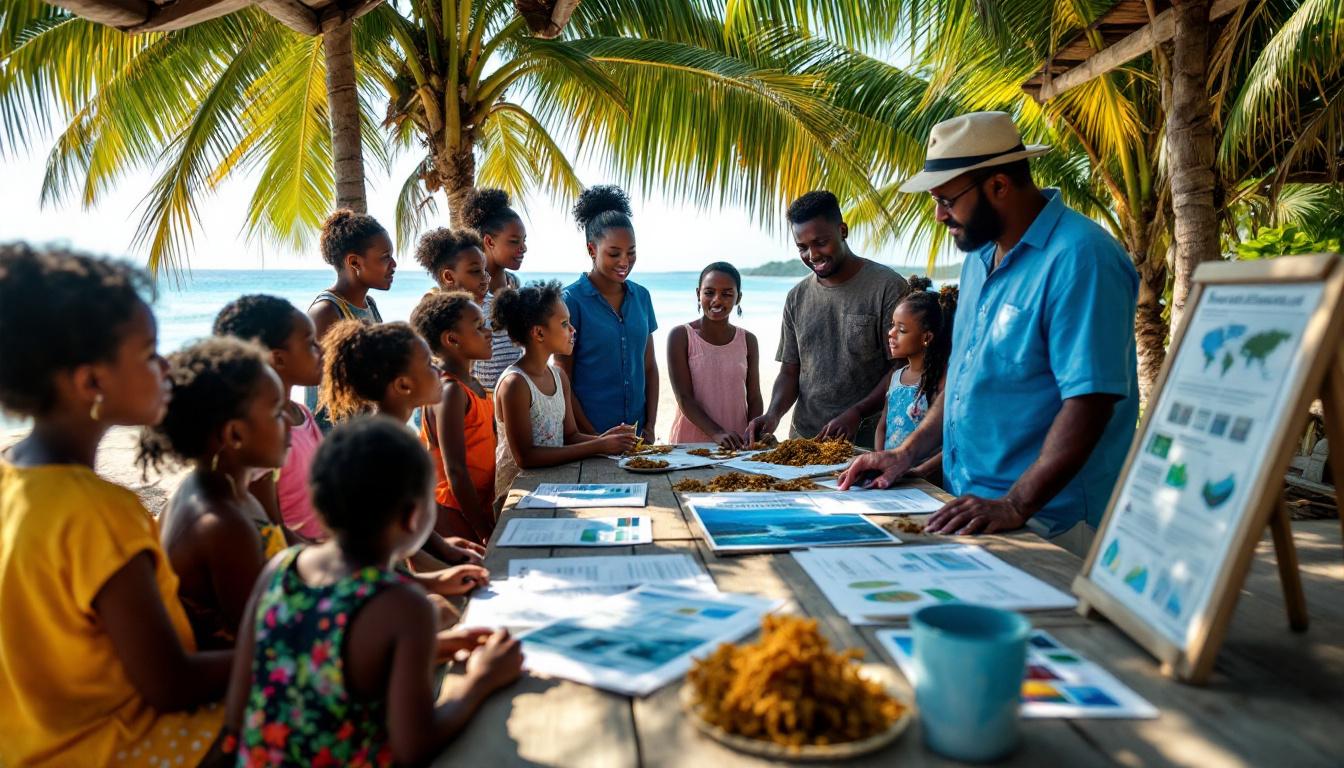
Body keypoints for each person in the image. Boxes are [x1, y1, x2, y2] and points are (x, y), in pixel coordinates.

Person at [839, 111, 1139, 558]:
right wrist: (905, 453)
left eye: (947, 200)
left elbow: (1091, 401)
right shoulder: (977, 258)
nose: (939, 215)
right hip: (973, 507)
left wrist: (1016, 502)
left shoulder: (1082, 258)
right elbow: (962, 380)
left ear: (999, 185)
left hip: (1050, 520)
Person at [0, 245, 228, 767]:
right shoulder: (98, 511)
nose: (166, 364)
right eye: (149, 353)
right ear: (92, 383)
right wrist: (286, 651)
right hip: (118, 748)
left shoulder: (11, 481)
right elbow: (171, 685)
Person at [218, 417, 523, 766]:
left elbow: (240, 703)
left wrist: (434, 646)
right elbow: (416, 745)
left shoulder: (281, 567)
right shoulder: (403, 606)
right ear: (413, 516)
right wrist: (482, 679)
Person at [136, 337, 292, 650]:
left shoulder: (216, 491)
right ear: (235, 434)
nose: (288, 421)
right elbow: (265, 642)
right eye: (277, 412)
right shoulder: (222, 525)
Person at [317, 319, 491, 579]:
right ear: (403, 386)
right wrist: (436, 579)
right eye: (430, 365)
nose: (438, 370)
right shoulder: (378, 452)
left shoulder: (396, 436)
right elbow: (371, 550)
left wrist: (442, 546)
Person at [746, 191, 908, 449]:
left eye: (820, 242)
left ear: (842, 230)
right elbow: (790, 371)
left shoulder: (888, 288)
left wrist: (857, 412)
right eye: (802, 247)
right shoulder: (796, 297)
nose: (812, 255)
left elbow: (900, 369)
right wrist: (773, 414)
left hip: (868, 439)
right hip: (804, 440)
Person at [492, 281, 639, 499]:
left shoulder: (559, 376)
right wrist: (598, 445)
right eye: (564, 324)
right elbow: (526, 457)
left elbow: (570, 436)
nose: (573, 330)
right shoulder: (515, 384)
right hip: (519, 495)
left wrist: (605, 439)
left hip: (553, 487)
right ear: (539, 333)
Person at [213, 294, 326, 541]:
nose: (321, 349)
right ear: (277, 358)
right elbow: (273, 531)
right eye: (310, 344)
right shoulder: (262, 437)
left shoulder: (301, 414)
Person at [557, 185, 659, 440]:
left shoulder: (642, 297)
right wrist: (594, 437)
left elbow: (649, 367)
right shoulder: (570, 302)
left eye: (631, 252)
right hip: (590, 438)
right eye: (614, 253)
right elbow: (563, 376)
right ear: (592, 250)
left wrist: (650, 426)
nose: (624, 261)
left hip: (638, 438)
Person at [411, 291, 497, 545]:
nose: (489, 332)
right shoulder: (450, 392)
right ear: (452, 339)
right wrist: (484, 529)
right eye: (479, 327)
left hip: (478, 505)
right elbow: (456, 471)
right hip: (455, 513)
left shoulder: (473, 385)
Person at [306, 210, 395, 428]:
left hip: (364, 431)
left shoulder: (369, 305)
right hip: (336, 440)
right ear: (354, 262)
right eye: (385, 257)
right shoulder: (326, 312)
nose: (393, 264)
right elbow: (329, 388)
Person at [667, 262, 763, 448]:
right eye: (709, 292)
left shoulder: (748, 340)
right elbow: (684, 398)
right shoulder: (681, 336)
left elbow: (754, 397)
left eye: (727, 294)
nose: (717, 300)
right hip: (691, 444)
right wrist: (717, 433)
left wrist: (753, 433)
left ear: (738, 298)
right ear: (698, 294)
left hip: (736, 443)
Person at [874, 276, 957, 483]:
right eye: (893, 325)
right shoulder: (895, 378)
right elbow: (883, 425)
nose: (891, 334)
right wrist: (879, 459)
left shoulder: (944, 380)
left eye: (901, 330)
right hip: (891, 477)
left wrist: (921, 472)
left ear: (926, 337)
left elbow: (953, 441)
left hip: (927, 481)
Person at [462, 188, 527, 391]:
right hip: (479, 404)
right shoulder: (469, 292)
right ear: (489, 241)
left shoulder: (515, 285)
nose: (523, 248)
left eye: (524, 241)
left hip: (514, 401)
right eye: (514, 241)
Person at [415, 227, 490, 303]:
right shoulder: (436, 314)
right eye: (476, 271)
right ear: (449, 277)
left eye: (484, 270)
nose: (485, 279)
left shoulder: (489, 309)